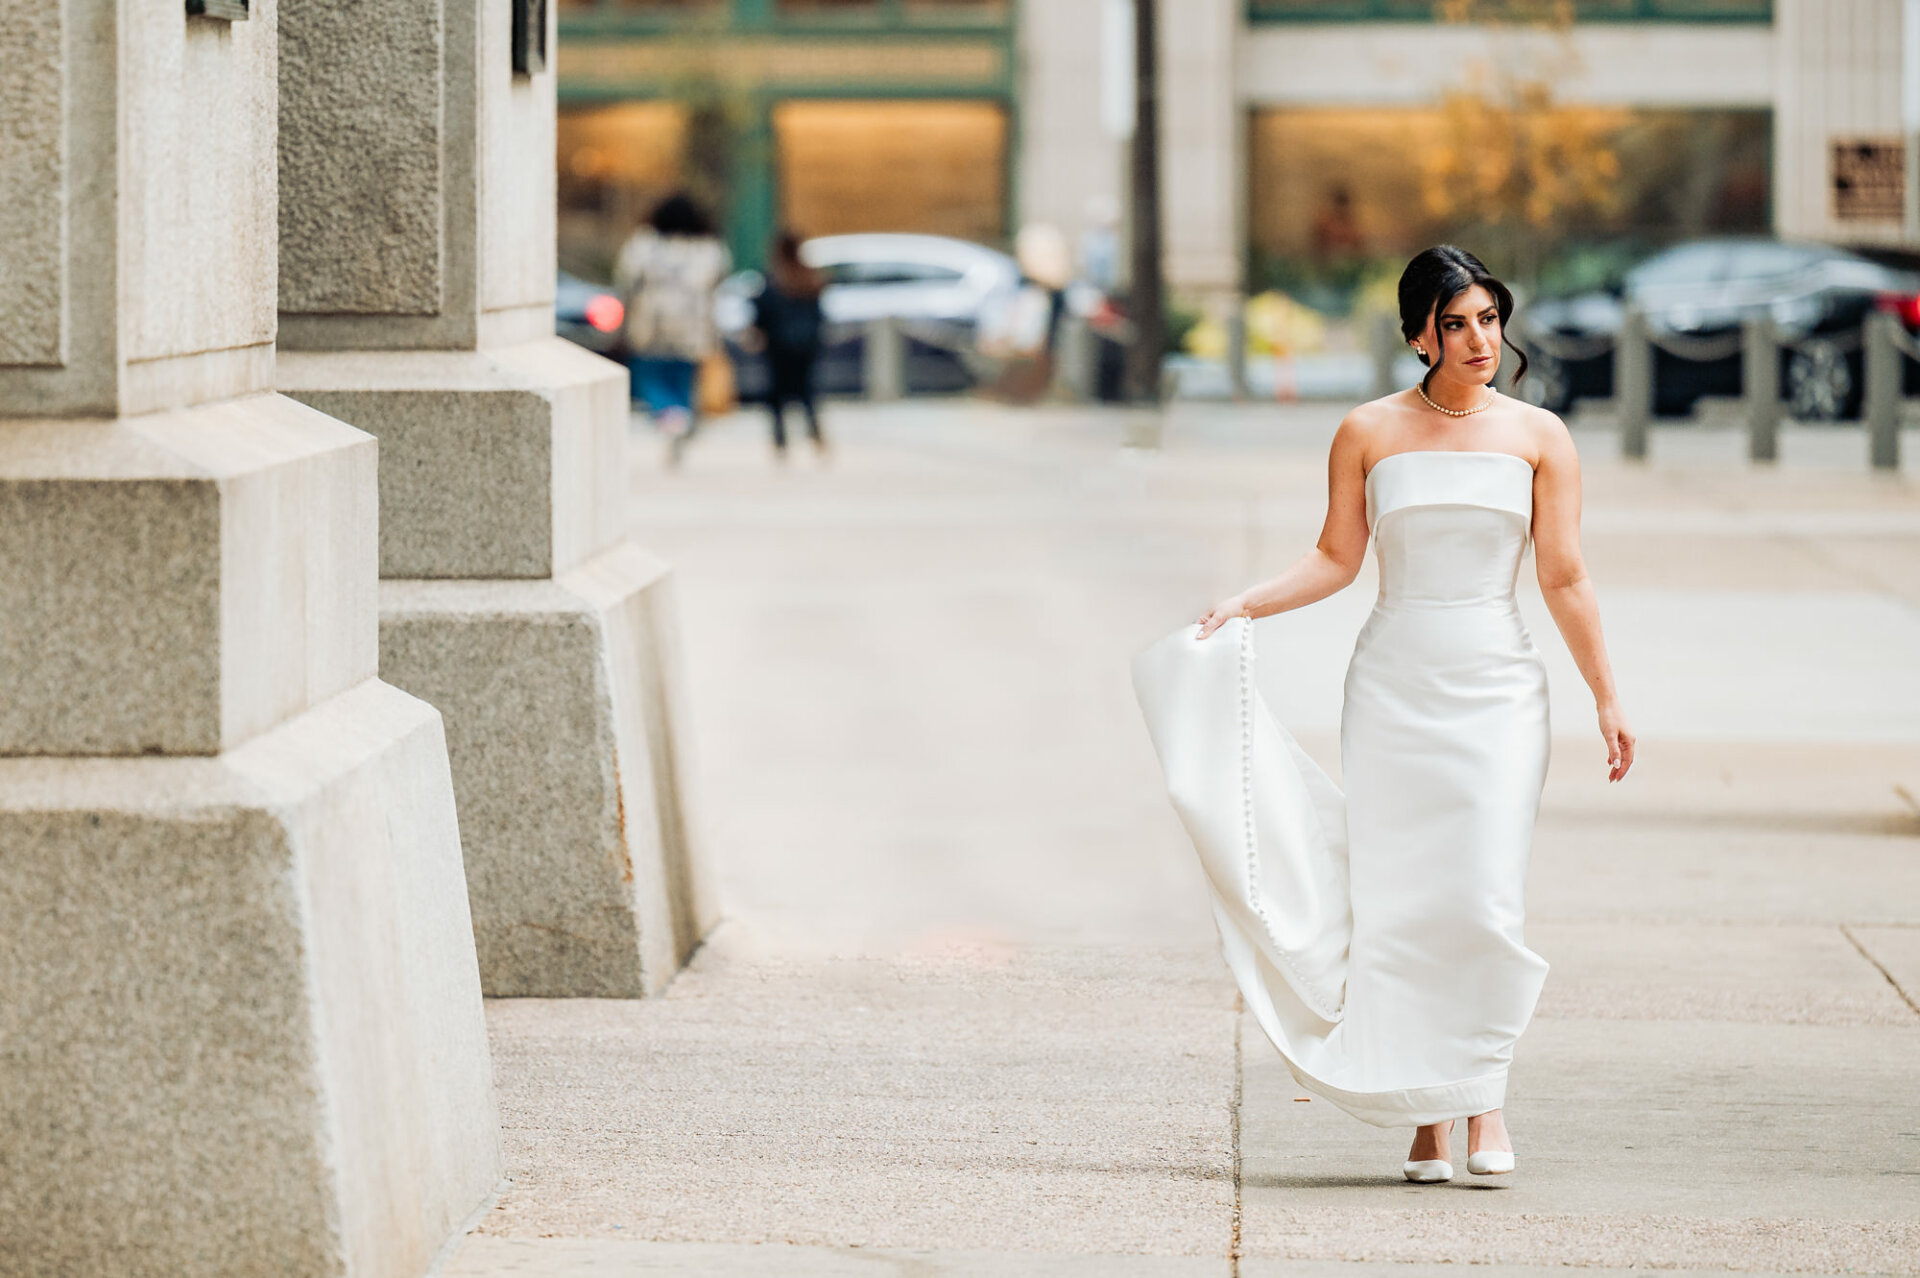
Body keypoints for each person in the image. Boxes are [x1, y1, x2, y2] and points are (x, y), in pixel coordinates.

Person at [1136, 245, 1634, 1184]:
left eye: (1489, 318)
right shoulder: (1367, 431)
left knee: (1484, 896)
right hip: (1394, 685)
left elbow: (1563, 575)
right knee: (1403, 899)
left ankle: (1482, 1097)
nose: (1480, 338)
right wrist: (1246, 602)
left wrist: (1606, 694)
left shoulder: (1541, 436)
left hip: (1497, 688)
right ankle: (1425, 1119)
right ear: (1419, 334)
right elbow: (1335, 558)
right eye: (1457, 323)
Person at [614, 192, 729, 454]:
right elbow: (716, 292)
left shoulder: (642, 246)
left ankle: (671, 419)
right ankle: (681, 419)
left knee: (651, 380)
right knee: (682, 381)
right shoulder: (710, 249)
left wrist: (622, 326)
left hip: (650, 329)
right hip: (692, 332)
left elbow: (626, 286)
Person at [750, 231, 827, 456]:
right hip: (807, 345)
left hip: (778, 345)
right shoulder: (810, 278)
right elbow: (819, 314)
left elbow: (762, 311)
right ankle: (814, 431)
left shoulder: (775, 279)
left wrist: (758, 331)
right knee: (806, 390)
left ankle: (780, 438)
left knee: (777, 392)